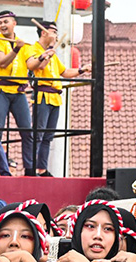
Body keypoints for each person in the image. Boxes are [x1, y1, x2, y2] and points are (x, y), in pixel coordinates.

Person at [23, 21, 89, 177]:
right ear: (44, 32)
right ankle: (31, 167)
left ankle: (42, 168)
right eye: (54, 32)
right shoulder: (32, 49)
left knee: (48, 136)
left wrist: (81, 70)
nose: (56, 36)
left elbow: (64, 72)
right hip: (42, 96)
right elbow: (38, 66)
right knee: (38, 133)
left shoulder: (52, 53)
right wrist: (49, 52)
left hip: (55, 97)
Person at [0, 10, 35, 176]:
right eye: (0, 23)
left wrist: (44, 57)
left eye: (6, 22)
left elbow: (32, 64)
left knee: (27, 130)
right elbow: (2, 62)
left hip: (19, 92)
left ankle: (30, 168)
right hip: (1, 90)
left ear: (14, 23)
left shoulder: (23, 44)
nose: (2, 25)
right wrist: (15, 50)